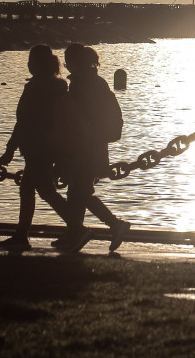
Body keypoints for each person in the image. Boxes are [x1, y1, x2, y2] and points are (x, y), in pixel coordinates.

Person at [0, 45, 92, 251]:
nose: (29, 65)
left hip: (37, 147)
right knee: (35, 189)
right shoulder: (57, 86)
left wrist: (10, 150)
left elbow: (23, 122)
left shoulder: (36, 88)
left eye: (31, 62)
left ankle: (75, 227)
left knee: (41, 190)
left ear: (34, 64)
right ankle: (24, 234)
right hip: (50, 147)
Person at [56, 43, 131, 253]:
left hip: (85, 147)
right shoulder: (96, 81)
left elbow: (80, 120)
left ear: (76, 62)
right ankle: (74, 232)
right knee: (78, 191)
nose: (67, 64)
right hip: (95, 145)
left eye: (68, 60)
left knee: (80, 192)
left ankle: (114, 224)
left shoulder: (82, 84)